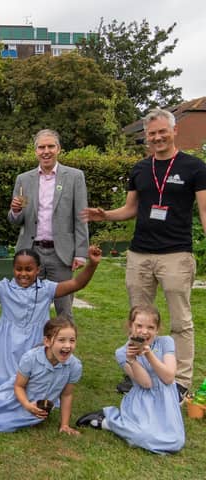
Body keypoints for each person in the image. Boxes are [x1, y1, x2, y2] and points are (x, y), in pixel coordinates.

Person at [82, 109, 206, 400]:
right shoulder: (140, 168)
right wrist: (105, 215)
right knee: (139, 321)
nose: (157, 137)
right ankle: (137, 372)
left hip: (176, 254)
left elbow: (204, 211)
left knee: (180, 321)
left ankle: (179, 381)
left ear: (174, 131)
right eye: (152, 134)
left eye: (162, 131)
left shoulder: (194, 168)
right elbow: (131, 209)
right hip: (139, 255)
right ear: (146, 137)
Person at [0, 245, 101, 388]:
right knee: (4, 382)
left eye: (28, 269)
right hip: (6, 344)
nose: (23, 273)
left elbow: (77, 283)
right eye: (18, 269)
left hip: (36, 342)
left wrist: (92, 264)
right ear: (13, 269)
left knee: (35, 383)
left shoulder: (46, 289)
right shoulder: (4, 288)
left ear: (38, 270)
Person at [76, 305, 185, 454]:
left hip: (165, 398)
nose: (144, 331)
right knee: (143, 437)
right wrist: (132, 360)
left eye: (150, 327)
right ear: (130, 326)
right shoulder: (122, 353)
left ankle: (116, 423)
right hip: (143, 399)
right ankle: (108, 422)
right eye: (139, 325)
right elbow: (146, 384)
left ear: (157, 329)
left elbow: (168, 377)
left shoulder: (165, 342)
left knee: (175, 442)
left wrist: (148, 354)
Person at [8, 129, 89, 319]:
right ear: (35, 151)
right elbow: (15, 221)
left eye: (50, 146)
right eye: (41, 147)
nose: (46, 151)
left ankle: (64, 347)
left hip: (61, 254)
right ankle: (30, 347)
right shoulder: (23, 179)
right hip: (30, 252)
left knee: (64, 310)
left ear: (59, 149)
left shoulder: (75, 177)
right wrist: (15, 210)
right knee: (28, 308)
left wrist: (81, 253)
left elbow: (81, 216)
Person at [0, 316, 81, 434]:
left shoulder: (74, 366)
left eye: (72, 340)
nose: (67, 345)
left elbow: (66, 395)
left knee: (11, 425)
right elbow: (18, 386)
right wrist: (27, 405)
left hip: (34, 409)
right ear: (47, 341)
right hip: (13, 397)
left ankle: (13, 417)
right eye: (62, 340)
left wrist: (65, 425)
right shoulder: (30, 358)